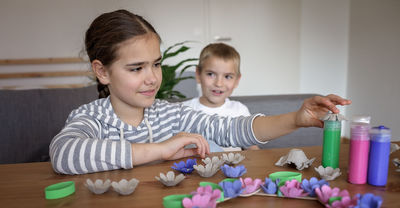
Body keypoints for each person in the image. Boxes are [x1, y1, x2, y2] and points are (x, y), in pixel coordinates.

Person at [49, 9, 351, 175]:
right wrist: (161, 149)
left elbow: (232, 129)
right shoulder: (90, 118)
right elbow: (64, 154)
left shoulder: (170, 114)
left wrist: (296, 119)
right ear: (102, 71)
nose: (152, 78)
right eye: (136, 68)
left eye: (156, 64)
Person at [183, 42, 258, 151]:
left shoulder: (240, 110)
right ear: (198, 74)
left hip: (233, 167)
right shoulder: (183, 110)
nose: (219, 83)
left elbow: (252, 148)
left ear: (237, 80)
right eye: (211, 74)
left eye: (227, 76)